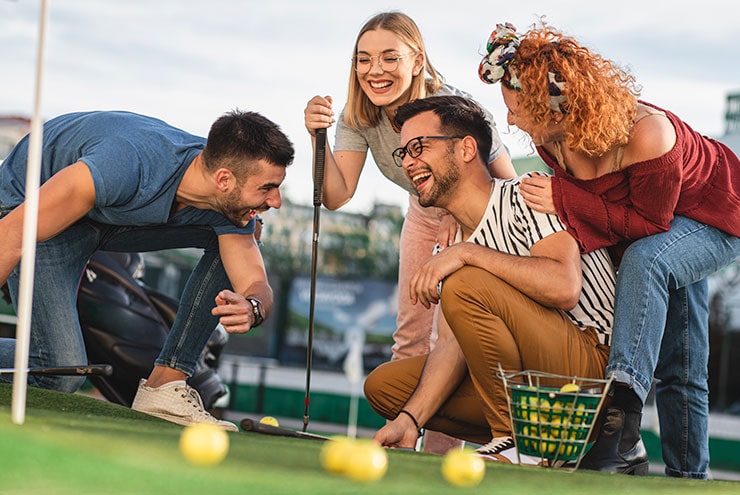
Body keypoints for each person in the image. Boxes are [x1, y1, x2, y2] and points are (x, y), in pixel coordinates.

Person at [478, 22, 740, 477]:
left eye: (518, 109)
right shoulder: (551, 138)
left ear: (556, 107)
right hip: (657, 220)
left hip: (715, 215)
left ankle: (618, 427)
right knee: (682, 361)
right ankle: (678, 475)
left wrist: (564, 198)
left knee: (649, 261)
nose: (510, 122)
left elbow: (648, 226)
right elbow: (611, 217)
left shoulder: (649, 135)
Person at [0, 109, 294, 431]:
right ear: (224, 179)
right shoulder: (126, 164)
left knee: (249, 232)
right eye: (267, 188)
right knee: (60, 372)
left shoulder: (229, 204)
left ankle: (164, 387)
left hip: (105, 218)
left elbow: (254, 282)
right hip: (27, 206)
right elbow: (11, 234)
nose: (276, 201)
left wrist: (251, 308)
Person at [304, 11, 516, 453]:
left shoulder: (455, 109)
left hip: (474, 214)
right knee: (410, 334)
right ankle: (399, 446)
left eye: (388, 57)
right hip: (423, 211)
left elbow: (505, 183)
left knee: (448, 335)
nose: (374, 70)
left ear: (417, 60)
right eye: (363, 60)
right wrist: (317, 139)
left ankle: (439, 459)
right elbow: (338, 194)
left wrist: (469, 234)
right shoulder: (358, 116)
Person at [363, 95, 617, 464]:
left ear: (466, 148)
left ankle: (515, 442)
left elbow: (564, 286)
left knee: (465, 281)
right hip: (532, 389)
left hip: (587, 377)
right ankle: (535, 443)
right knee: (386, 388)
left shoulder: (526, 195)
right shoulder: (451, 244)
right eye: (403, 153)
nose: (409, 162)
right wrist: (411, 420)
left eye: (418, 147)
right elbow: (452, 347)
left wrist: (468, 255)